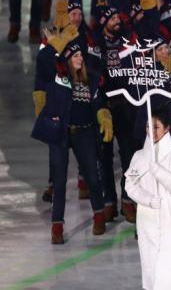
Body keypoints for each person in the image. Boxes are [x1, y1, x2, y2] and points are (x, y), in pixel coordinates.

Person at [33, 40, 112, 244]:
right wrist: (52, 45)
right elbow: (42, 62)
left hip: (84, 132)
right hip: (61, 133)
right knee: (59, 182)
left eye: (80, 56)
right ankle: (57, 226)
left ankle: (98, 216)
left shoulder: (91, 79)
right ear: (67, 60)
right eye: (75, 56)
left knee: (93, 177)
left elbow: (98, 103)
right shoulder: (58, 79)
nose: (80, 59)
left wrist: (103, 115)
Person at [125, 106, 171, 290]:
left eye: (156, 127)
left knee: (169, 266)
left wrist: (159, 171)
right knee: (150, 264)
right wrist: (149, 200)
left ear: (167, 128)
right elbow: (130, 186)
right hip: (147, 219)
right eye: (148, 126)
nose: (151, 131)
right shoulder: (139, 156)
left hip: (170, 218)